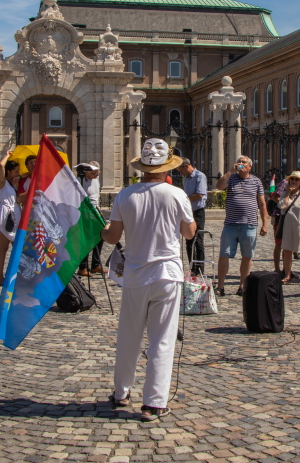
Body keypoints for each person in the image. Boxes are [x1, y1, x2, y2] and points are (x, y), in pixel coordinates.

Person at [101, 138, 196, 423]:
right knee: (162, 339)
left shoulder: (125, 195)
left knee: (128, 337)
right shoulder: (176, 194)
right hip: (167, 273)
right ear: (166, 167)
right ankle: (154, 402)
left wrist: (101, 230)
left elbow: (112, 238)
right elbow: (189, 233)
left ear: (142, 167)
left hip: (135, 274)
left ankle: (121, 392)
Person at [215, 155, 268, 297]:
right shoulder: (231, 178)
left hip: (249, 224)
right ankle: (220, 286)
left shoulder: (256, 181)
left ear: (249, 166)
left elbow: (262, 204)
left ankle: (242, 286)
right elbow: (219, 186)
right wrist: (230, 171)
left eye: (243, 162)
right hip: (230, 224)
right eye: (239, 162)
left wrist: (265, 224)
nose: (240, 164)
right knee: (224, 255)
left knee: (247, 256)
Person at [278, 171, 300, 285]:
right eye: (292, 179)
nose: (294, 181)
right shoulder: (285, 194)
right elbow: (282, 206)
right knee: (287, 250)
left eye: (296, 179)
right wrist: (288, 193)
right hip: (288, 226)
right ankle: (287, 275)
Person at [0, 150, 20, 285]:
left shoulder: (14, 184)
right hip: (5, 215)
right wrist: (7, 155)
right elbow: (1, 165)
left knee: (17, 248)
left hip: (15, 215)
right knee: (3, 248)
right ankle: (0, 277)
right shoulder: (3, 183)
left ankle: (14, 275)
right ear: (9, 172)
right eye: (15, 171)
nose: (18, 173)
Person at [75, 161, 104, 276]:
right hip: (85, 213)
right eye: (93, 173)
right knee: (87, 239)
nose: (96, 175)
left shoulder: (96, 180)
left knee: (101, 235)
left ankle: (95, 265)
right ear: (87, 172)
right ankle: (82, 267)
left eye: (98, 173)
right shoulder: (80, 181)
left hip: (95, 211)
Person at [180, 158, 208, 275]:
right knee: (189, 239)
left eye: (180, 170)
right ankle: (192, 268)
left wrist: (184, 199)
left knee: (198, 239)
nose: (180, 173)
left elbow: (199, 194)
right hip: (188, 211)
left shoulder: (199, 176)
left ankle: (200, 269)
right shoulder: (186, 178)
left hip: (198, 212)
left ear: (186, 166)